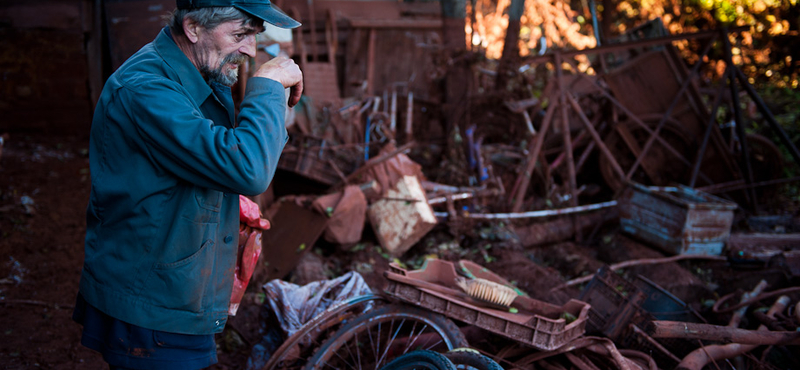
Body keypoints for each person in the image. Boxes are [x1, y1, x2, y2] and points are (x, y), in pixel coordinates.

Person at [72, 1, 302, 369]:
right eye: (240, 34)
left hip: (177, 291)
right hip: (152, 305)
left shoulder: (199, 72)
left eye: (254, 36)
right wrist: (267, 87)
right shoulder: (146, 88)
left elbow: (214, 162)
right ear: (193, 28)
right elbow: (248, 168)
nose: (250, 50)